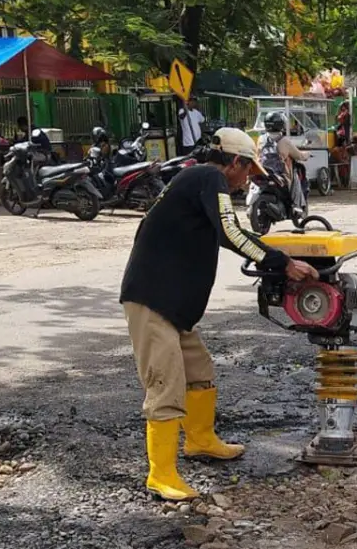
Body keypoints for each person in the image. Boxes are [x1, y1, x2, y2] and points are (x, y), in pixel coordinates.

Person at [119, 127, 319, 500]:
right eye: (247, 172)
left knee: (199, 371)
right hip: (152, 300)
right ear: (236, 162)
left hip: (172, 304)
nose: (247, 181)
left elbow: (226, 236)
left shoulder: (195, 178)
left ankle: (200, 439)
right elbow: (231, 228)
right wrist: (284, 263)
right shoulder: (210, 177)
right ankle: (160, 475)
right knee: (165, 384)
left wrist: (274, 259)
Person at [259, 112, 311, 218]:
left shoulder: (261, 139)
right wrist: (307, 154)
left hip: (262, 172)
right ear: (281, 125)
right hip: (280, 175)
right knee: (295, 176)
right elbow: (299, 156)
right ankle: (297, 206)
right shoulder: (284, 141)